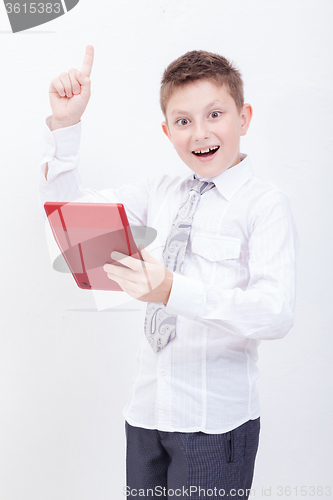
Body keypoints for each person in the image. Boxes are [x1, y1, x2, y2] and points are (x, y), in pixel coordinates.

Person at [38, 45, 299, 499]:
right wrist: (65, 126)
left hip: (214, 427)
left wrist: (173, 290)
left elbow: (275, 313)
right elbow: (72, 221)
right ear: (167, 130)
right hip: (145, 416)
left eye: (215, 114)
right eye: (183, 121)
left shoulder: (265, 204)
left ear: (245, 117)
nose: (200, 133)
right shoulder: (159, 192)